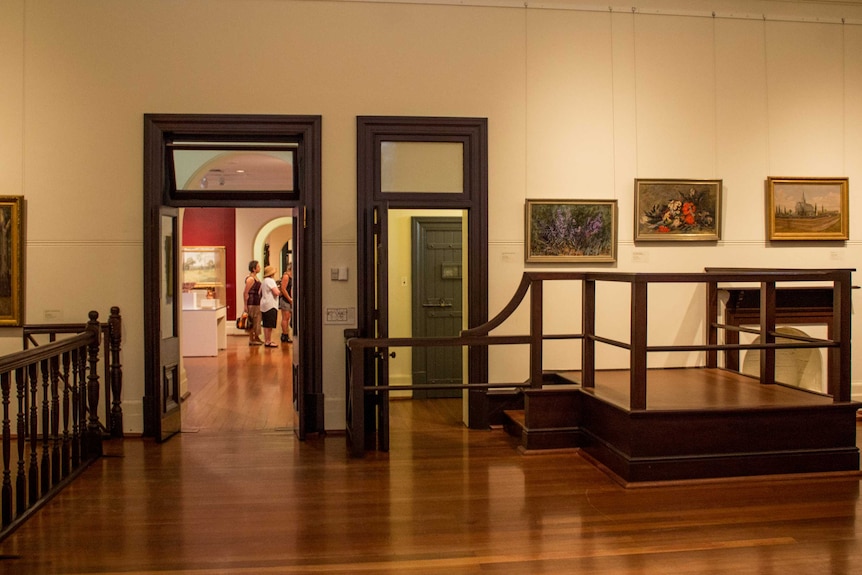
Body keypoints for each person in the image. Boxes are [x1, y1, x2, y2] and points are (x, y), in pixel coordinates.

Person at [243, 260, 263, 346]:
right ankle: (251, 338)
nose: (259, 268)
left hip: (257, 302)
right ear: (254, 269)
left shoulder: (255, 278)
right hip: (252, 302)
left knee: (257, 320)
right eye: (258, 266)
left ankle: (256, 337)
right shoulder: (250, 279)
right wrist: (245, 305)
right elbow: (245, 292)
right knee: (251, 320)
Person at [260, 265, 281, 348]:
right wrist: (279, 290)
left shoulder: (264, 281)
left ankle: (266, 340)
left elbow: (260, 292)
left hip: (264, 304)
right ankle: (268, 341)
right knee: (270, 325)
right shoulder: (271, 281)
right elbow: (276, 292)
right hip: (271, 304)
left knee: (266, 324)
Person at [279, 263, 293, 343]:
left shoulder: (291, 276)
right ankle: (284, 334)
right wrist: (289, 299)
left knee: (288, 317)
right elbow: (283, 289)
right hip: (285, 299)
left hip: (290, 299)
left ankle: (286, 334)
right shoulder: (286, 276)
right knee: (285, 317)